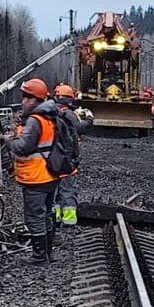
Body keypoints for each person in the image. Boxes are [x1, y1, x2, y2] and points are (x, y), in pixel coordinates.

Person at [7, 77, 59, 264]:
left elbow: (23, 147)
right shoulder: (50, 116)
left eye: (27, 98)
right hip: (50, 175)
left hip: (36, 176)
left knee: (34, 216)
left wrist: (8, 140)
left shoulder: (35, 120)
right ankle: (48, 252)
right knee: (45, 214)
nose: (23, 101)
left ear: (36, 100)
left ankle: (39, 256)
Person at [52, 83, 94, 229]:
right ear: (70, 99)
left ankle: (55, 219)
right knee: (67, 190)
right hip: (67, 161)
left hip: (53, 160)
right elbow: (78, 129)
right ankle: (69, 221)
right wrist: (89, 119)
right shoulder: (69, 115)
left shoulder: (50, 113)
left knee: (55, 191)